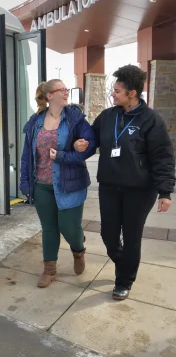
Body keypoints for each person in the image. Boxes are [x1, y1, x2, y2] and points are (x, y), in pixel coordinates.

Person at [74, 64, 176, 300]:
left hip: (140, 190)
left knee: (131, 236)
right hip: (109, 186)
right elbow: (91, 138)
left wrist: (165, 191)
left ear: (132, 93)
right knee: (108, 235)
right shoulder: (108, 116)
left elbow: (163, 157)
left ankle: (124, 280)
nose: (113, 94)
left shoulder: (151, 120)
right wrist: (81, 144)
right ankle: (125, 263)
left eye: (117, 91)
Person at [20, 79, 96, 288]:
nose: (66, 92)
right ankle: (49, 269)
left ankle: (78, 250)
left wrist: (73, 150)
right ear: (49, 96)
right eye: (61, 90)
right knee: (49, 228)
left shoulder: (75, 119)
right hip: (42, 184)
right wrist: (25, 182)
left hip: (69, 184)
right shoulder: (35, 122)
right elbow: (27, 155)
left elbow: (91, 144)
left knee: (69, 228)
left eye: (66, 89)